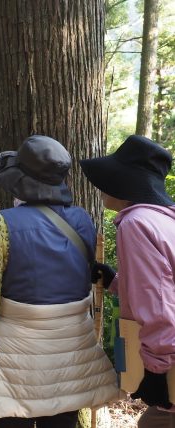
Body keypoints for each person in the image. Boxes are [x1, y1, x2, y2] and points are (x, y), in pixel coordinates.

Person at [0, 135, 119, 428]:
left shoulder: (1, 224)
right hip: (71, 357)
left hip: (15, 361)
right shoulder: (82, 220)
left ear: (19, 181)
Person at [80, 135, 175, 428]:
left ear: (125, 183)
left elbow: (158, 302)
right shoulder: (165, 220)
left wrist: (157, 369)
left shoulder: (136, 224)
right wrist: (114, 281)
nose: (101, 189)